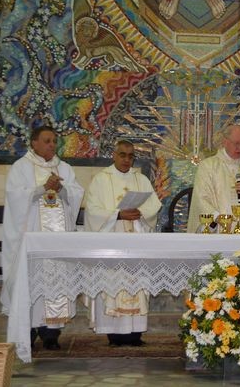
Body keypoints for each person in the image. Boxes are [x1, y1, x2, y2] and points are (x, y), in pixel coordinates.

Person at [1, 125, 84, 350]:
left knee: (55, 282)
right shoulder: (20, 167)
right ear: (33, 143)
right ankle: (26, 331)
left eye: (54, 141)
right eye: (47, 141)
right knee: (29, 281)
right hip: (31, 240)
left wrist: (63, 190)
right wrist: (42, 188)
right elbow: (15, 196)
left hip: (57, 242)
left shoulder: (64, 168)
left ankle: (51, 333)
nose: (51, 145)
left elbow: (76, 194)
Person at [84, 140, 162, 346]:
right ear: (114, 155)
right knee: (114, 284)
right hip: (113, 243)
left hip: (135, 241)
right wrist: (117, 215)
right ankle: (114, 333)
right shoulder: (101, 180)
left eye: (131, 156)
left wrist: (140, 213)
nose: (127, 160)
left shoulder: (141, 180)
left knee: (136, 283)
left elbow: (153, 205)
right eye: (123, 155)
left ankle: (135, 332)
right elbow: (92, 210)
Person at [187, 125, 240, 233]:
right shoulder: (208, 166)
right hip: (219, 231)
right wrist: (220, 219)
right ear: (225, 142)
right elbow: (201, 199)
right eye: (236, 143)